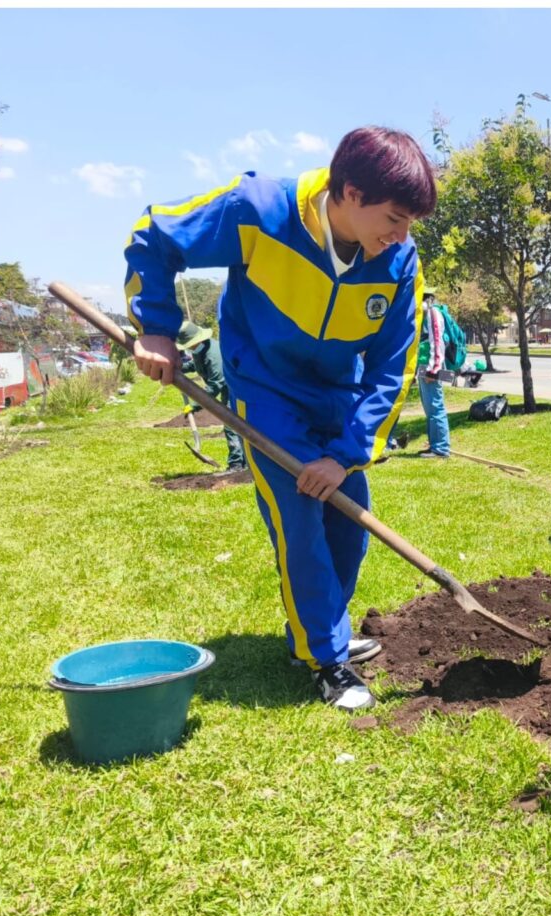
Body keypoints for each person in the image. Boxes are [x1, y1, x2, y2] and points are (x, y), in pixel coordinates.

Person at [123, 126, 434, 712]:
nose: (402, 234)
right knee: (300, 524)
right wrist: (157, 329)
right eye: (394, 217)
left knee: (349, 523)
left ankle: (319, 634)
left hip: (337, 398)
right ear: (349, 193)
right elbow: (155, 232)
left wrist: (344, 453)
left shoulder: (398, 260)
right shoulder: (259, 211)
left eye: (410, 223)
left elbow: (394, 367)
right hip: (264, 396)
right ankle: (325, 658)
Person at [176, 316, 247, 476]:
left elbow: (215, 385)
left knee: (231, 425)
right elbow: (196, 365)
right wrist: (180, 369)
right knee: (235, 426)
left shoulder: (213, 354)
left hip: (236, 388)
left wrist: (195, 405)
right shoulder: (200, 350)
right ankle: (243, 463)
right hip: (227, 387)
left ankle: (237, 465)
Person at [412, 292, 461, 458]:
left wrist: (433, 370)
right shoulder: (424, 315)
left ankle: (441, 448)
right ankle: (435, 445)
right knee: (430, 408)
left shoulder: (433, 313)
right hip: (424, 367)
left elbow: (437, 341)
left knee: (435, 406)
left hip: (431, 369)